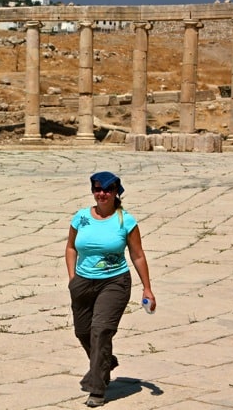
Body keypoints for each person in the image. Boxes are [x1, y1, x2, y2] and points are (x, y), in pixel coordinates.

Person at [64, 171, 155, 407]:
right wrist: (73, 278)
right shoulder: (81, 217)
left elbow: (137, 255)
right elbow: (71, 248)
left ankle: (97, 389)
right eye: (97, 189)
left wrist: (147, 288)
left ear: (117, 192)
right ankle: (106, 361)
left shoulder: (126, 221)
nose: (102, 194)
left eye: (107, 189)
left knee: (101, 330)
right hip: (82, 283)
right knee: (83, 332)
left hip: (114, 282)